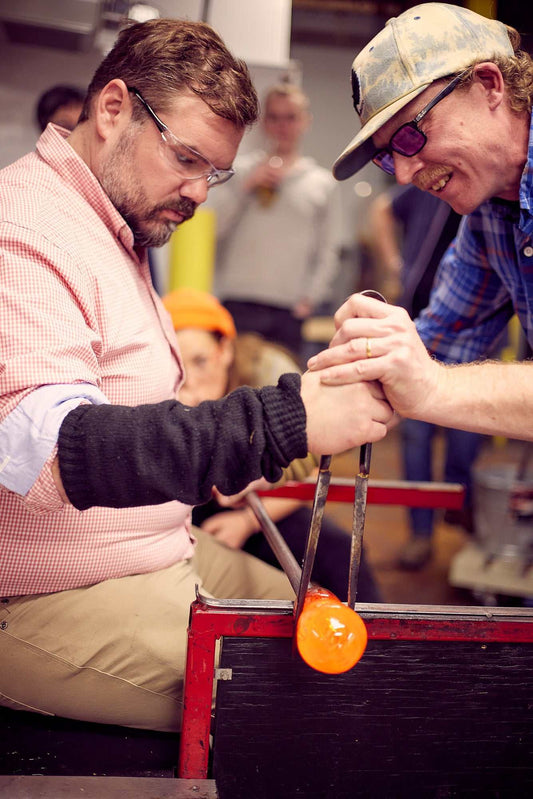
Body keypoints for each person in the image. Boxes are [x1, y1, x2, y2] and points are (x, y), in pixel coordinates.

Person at [0, 18, 393, 733]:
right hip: (43, 593)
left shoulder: (110, 221)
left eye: (213, 172)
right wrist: (285, 419)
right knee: (311, 701)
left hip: (151, 549)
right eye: (186, 158)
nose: (200, 192)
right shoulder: (24, 227)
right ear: (113, 108)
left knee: (332, 617)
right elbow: (49, 451)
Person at [308, 2, 533, 444]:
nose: (407, 174)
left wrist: (431, 387)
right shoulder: (491, 216)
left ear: (489, 85)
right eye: (387, 156)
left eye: (411, 134)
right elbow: (439, 339)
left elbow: (427, 376)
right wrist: (285, 433)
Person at [163, 287, 382, 603]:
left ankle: (378, 645)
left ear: (224, 349)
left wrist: (247, 521)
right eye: (178, 369)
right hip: (186, 505)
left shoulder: (269, 372)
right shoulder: (157, 382)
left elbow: (315, 468)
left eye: (200, 361)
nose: (191, 381)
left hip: (265, 496)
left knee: (340, 553)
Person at [368, 185, 484, 569]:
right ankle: (421, 533)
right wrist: (394, 265)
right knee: (415, 437)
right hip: (421, 326)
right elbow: (382, 208)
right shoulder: (430, 185)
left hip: (476, 335)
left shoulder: (491, 203)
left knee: (466, 434)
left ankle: (461, 508)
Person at [210, 82, 341, 361]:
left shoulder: (321, 184)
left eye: (291, 117)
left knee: (280, 388)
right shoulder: (240, 171)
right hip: (237, 300)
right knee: (233, 387)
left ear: (305, 121)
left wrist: (311, 297)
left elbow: (328, 248)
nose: (283, 126)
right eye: (275, 117)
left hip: (289, 307)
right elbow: (212, 229)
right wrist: (246, 187)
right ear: (264, 123)